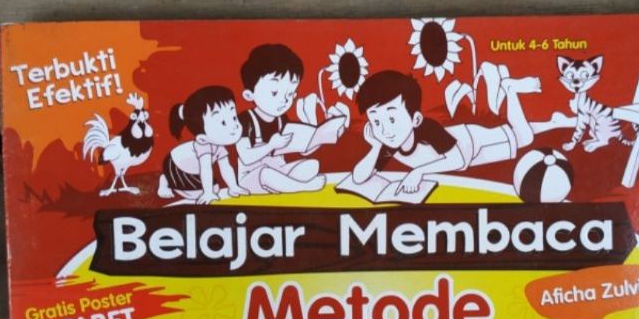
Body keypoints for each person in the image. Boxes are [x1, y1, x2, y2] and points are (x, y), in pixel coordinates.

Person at [353, 69, 567, 193]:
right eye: (376, 121)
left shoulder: (427, 128)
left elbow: (458, 159)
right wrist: (375, 146)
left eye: (392, 119)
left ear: (415, 119)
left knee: (523, 137)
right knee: (517, 133)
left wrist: (418, 172)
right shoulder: (388, 143)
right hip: (468, 153)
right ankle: (553, 123)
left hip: (473, 143)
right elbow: (359, 177)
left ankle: (510, 89)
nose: (385, 130)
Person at [236, 44, 326, 194]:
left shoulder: (282, 120)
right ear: (249, 95)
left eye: (290, 94)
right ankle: (302, 187)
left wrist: (318, 135)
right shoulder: (245, 120)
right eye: (274, 93)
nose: (284, 100)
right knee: (265, 174)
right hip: (252, 178)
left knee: (312, 165)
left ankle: (283, 185)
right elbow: (245, 157)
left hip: (279, 172)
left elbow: (304, 150)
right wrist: (271, 145)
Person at [158, 85, 248, 204]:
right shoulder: (203, 144)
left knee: (215, 190)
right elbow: (205, 168)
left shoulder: (217, 144)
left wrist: (234, 187)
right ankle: (165, 180)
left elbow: (226, 167)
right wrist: (208, 193)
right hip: (175, 167)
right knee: (206, 193)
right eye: (223, 123)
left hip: (194, 170)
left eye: (234, 118)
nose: (234, 125)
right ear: (201, 137)